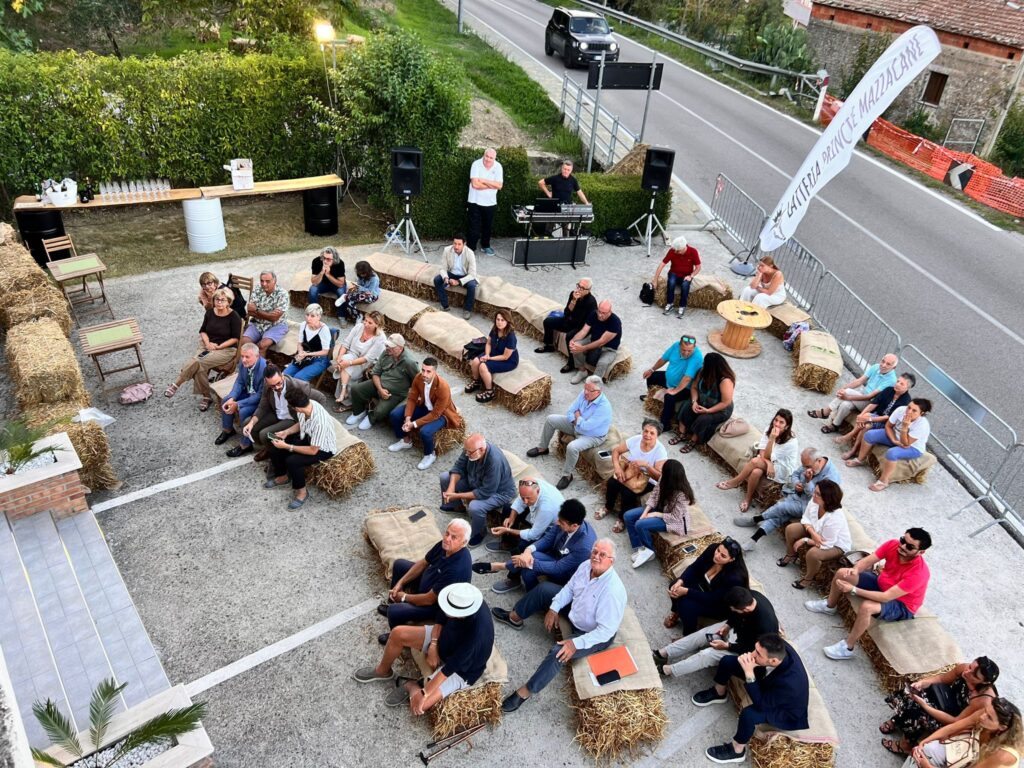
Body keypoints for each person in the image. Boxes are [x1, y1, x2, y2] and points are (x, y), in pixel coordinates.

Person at [500, 539, 625, 714]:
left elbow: (606, 631)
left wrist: (575, 643)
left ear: (612, 561)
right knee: (544, 589)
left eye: (602, 555)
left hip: (592, 633)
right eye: (594, 552)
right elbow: (569, 589)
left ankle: (526, 691)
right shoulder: (585, 565)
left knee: (558, 652)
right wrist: (554, 607)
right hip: (576, 609)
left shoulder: (613, 591)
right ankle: (514, 617)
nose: (596, 557)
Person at [352, 583, 495, 716]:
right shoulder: (461, 598)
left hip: (463, 670)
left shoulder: (477, 636)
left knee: (422, 706)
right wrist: (433, 644)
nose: (447, 613)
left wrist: (424, 693)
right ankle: (382, 671)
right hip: (446, 639)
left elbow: (450, 668)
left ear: (463, 613)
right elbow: (441, 616)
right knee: (397, 633)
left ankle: (411, 685)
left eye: (450, 612)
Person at [805, 527, 932, 660]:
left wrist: (853, 589)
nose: (903, 546)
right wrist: (855, 569)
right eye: (903, 540)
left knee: (867, 607)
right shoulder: (893, 545)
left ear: (921, 552)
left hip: (902, 604)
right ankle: (829, 606)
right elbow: (868, 561)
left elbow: (886, 597)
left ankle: (848, 647)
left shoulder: (919, 573)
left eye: (910, 547)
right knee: (843, 573)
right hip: (882, 584)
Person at [696, 633, 810, 765]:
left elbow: (762, 704)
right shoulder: (776, 647)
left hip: (784, 709)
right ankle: (719, 692)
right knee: (727, 661)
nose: (752, 654)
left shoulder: (790, 683)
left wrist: (749, 673)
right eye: (755, 650)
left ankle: (737, 750)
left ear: (773, 661)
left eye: (758, 654)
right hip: (769, 681)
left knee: (749, 714)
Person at [478, 499, 595, 607]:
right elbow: (547, 539)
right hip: (554, 556)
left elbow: (558, 568)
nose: (557, 523)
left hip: (566, 573)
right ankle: (533, 594)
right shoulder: (564, 520)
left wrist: (527, 561)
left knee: (529, 564)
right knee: (528, 564)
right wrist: (528, 552)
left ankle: (501, 566)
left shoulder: (584, 547)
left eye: (561, 522)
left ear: (574, 525)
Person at [378, 519, 473, 645]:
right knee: (399, 564)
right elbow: (424, 562)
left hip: (435, 606)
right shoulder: (445, 545)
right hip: (429, 584)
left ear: (464, 542)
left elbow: (429, 599)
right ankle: (393, 599)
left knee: (394, 611)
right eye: (447, 533)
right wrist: (399, 584)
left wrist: (404, 597)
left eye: (454, 537)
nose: (447, 538)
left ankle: (395, 636)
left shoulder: (456, 569)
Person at [653, 586, 778, 680]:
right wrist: (728, 625)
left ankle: (670, 670)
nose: (732, 610)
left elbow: (753, 649)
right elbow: (735, 614)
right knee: (704, 634)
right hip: (738, 629)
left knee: (707, 655)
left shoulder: (764, 625)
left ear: (745, 609)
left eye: (734, 609)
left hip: (747, 648)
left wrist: (728, 646)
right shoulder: (749, 596)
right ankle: (664, 653)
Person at [881, 657, 1001, 754]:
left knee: (919, 713)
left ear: (985, 682)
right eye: (970, 667)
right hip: (945, 699)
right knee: (911, 691)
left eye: (974, 675)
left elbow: (956, 722)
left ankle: (906, 745)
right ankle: (897, 719)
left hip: (953, 719)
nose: (967, 672)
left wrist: (926, 706)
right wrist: (922, 683)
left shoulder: (982, 700)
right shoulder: (964, 668)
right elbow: (942, 679)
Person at [736, 448, 842, 551]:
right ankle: (753, 540)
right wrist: (796, 484)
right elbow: (795, 474)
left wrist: (807, 482)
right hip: (795, 495)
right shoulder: (809, 463)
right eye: (804, 466)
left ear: (819, 461)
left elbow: (817, 498)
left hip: (810, 505)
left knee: (781, 507)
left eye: (807, 466)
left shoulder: (832, 478)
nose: (805, 469)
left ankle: (755, 519)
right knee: (778, 517)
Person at [527, 375, 612, 491]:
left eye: (589, 390)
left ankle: (567, 475)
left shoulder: (604, 407)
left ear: (599, 391)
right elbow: (571, 410)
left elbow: (587, 427)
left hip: (592, 436)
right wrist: (577, 418)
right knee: (550, 419)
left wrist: (578, 417)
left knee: (572, 447)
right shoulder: (584, 393)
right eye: (585, 388)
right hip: (576, 425)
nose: (585, 392)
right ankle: (543, 448)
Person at [166, 287, 242, 410]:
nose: (220, 302)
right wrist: (207, 344)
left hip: (225, 349)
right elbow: (203, 331)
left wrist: (218, 347)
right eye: (217, 299)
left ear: (228, 301)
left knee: (198, 361)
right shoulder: (210, 312)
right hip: (207, 345)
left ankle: (177, 384)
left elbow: (235, 338)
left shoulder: (234, 316)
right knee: (200, 366)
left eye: (223, 300)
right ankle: (206, 397)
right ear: (214, 300)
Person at [439, 434, 516, 548]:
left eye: (469, 453)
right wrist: (451, 489)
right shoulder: (470, 448)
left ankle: (479, 532)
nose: (467, 454)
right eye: (466, 451)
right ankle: (457, 507)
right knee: (445, 477)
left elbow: (485, 492)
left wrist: (456, 495)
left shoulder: (494, 461)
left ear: (481, 449)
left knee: (475, 507)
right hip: (476, 480)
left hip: (499, 492)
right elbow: (458, 467)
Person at [716, 409, 799, 514]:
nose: (777, 424)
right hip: (769, 462)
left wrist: (772, 439)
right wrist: (768, 463)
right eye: (776, 420)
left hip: (782, 468)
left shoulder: (791, 442)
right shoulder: (769, 429)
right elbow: (763, 452)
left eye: (781, 422)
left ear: (787, 426)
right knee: (756, 472)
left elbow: (768, 456)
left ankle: (734, 482)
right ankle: (748, 498)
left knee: (755, 461)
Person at [265, 389, 337, 510]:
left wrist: (288, 446)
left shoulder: (320, 422)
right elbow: (301, 424)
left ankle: (302, 493)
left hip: (323, 449)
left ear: (296, 408)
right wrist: (286, 432)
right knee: (275, 448)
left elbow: (313, 450)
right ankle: (282, 476)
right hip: (309, 437)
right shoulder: (307, 406)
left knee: (293, 461)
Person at [238, 364, 327, 462]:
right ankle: (269, 447)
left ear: (282, 376)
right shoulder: (267, 384)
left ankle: (273, 454)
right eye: (272, 385)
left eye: (279, 383)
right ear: (267, 382)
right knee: (247, 423)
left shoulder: (299, 386)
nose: (277, 387)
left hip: (292, 418)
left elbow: (321, 398)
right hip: (276, 413)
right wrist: (251, 423)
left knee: (264, 434)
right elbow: (263, 406)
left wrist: (315, 415)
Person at [389, 357, 462, 471]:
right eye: (423, 370)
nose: (424, 374)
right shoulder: (418, 378)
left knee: (425, 431)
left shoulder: (443, 386)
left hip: (442, 414)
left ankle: (430, 455)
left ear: (435, 372)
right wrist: (407, 418)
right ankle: (406, 441)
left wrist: (413, 424)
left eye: (428, 371)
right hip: (425, 406)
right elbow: (412, 398)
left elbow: (435, 414)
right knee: (395, 414)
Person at [666, 538, 749, 634]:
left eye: (723, 556)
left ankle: (688, 633)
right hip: (704, 586)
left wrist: (687, 591)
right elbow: (694, 568)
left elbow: (714, 599)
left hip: (719, 604)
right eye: (718, 550)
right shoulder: (712, 549)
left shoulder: (734, 578)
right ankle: (676, 612)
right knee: (674, 585)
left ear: (731, 559)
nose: (717, 556)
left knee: (686, 604)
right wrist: (681, 581)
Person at [778, 479, 852, 589]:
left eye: (817, 494)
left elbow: (826, 544)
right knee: (791, 529)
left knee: (813, 554)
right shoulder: (814, 501)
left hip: (835, 545)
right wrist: (812, 532)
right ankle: (791, 554)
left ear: (827, 499)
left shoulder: (835, 518)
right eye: (815, 491)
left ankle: (808, 579)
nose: (813, 494)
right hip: (816, 531)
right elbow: (805, 519)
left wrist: (805, 540)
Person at [909, 697, 1021, 768]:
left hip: (975, 763)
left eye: (989, 718)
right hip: (967, 754)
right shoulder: (986, 714)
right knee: (927, 750)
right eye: (986, 711)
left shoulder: (1004, 754)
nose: (982, 717)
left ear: (1002, 727)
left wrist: (928, 767)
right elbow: (953, 727)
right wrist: (924, 742)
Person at [849, 398, 933, 492]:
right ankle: (860, 459)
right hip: (895, 436)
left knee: (892, 453)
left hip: (913, 447)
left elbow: (906, 443)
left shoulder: (922, 425)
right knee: (869, 435)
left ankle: (883, 481)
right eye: (909, 407)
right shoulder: (901, 410)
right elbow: (888, 426)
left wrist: (905, 427)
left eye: (914, 410)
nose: (909, 411)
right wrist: (893, 439)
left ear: (921, 413)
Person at [623, 459, 694, 569]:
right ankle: (640, 548)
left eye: (664, 470)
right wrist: (645, 512)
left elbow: (675, 517)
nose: (661, 472)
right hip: (661, 509)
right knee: (628, 516)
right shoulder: (664, 478)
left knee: (640, 524)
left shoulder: (682, 495)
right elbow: (654, 496)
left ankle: (650, 550)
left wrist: (655, 514)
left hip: (673, 520)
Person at [599, 419, 669, 531]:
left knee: (628, 492)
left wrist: (646, 465)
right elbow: (616, 451)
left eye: (652, 433)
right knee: (612, 482)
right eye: (645, 431)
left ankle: (622, 518)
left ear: (657, 436)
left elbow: (659, 477)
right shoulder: (636, 440)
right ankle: (608, 507)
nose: (647, 435)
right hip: (631, 472)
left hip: (647, 479)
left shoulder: (660, 451)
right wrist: (617, 468)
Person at [808, 353, 899, 433]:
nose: (883, 365)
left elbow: (870, 396)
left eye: (888, 364)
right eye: (883, 361)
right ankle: (835, 425)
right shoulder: (876, 367)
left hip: (870, 404)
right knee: (845, 404)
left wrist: (848, 395)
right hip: (862, 396)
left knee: (847, 393)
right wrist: (842, 389)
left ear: (893, 367)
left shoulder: (891, 380)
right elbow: (859, 381)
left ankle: (826, 412)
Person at [347, 333, 419, 432]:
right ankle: (359, 412)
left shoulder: (409, 362)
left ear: (400, 348)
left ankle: (371, 418)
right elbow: (375, 373)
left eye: (391, 347)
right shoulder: (386, 353)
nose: (387, 348)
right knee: (356, 389)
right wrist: (380, 389)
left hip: (395, 394)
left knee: (380, 411)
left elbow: (417, 381)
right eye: (387, 345)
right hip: (379, 384)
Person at [837, 372, 916, 455]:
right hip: (876, 415)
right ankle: (853, 449)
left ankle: (850, 440)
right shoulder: (889, 390)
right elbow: (873, 404)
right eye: (897, 381)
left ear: (907, 388)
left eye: (902, 384)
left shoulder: (906, 401)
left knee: (866, 421)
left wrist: (868, 418)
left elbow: (888, 418)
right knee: (865, 420)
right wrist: (861, 415)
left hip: (887, 423)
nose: (897, 384)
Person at [485, 475, 564, 555]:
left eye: (528, 498)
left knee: (523, 546)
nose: (525, 502)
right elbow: (520, 500)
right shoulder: (531, 484)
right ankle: (507, 544)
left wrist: (508, 530)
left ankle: (516, 559)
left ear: (538, 491)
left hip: (549, 529)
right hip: (537, 515)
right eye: (524, 498)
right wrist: (511, 518)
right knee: (508, 509)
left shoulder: (546, 508)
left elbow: (533, 535)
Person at [642, 334, 704, 434]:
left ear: (694, 347)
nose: (686, 353)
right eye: (683, 350)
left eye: (689, 351)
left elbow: (687, 378)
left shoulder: (697, 357)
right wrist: (652, 369)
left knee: (669, 397)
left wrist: (675, 391)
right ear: (679, 345)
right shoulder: (675, 346)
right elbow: (663, 359)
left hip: (684, 388)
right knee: (652, 376)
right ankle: (651, 398)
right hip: (669, 380)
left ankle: (665, 424)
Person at [675, 352, 736, 453]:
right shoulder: (702, 371)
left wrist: (708, 411)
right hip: (702, 401)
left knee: (703, 419)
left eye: (705, 364)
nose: (703, 366)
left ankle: (693, 441)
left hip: (720, 408)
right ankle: (681, 433)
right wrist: (694, 401)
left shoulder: (725, 381)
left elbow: (725, 402)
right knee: (686, 406)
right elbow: (694, 387)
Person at [331, 311, 386, 412]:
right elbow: (345, 344)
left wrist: (347, 363)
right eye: (365, 320)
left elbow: (367, 358)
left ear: (377, 325)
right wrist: (339, 358)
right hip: (351, 355)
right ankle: (344, 394)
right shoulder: (358, 327)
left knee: (347, 365)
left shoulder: (380, 338)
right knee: (345, 360)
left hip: (366, 363)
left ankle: (346, 396)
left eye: (370, 323)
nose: (365, 324)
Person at [215, 343, 266, 450]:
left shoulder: (264, 369)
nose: (243, 360)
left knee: (243, 411)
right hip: (248, 392)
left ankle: (245, 444)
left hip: (260, 400)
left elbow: (260, 395)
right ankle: (228, 430)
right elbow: (239, 382)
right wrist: (232, 398)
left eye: (247, 357)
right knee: (226, 400)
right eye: (242, 356)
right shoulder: (244, 363)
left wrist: (237, 404)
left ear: (257, 356)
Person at [465, 310, 519, 403]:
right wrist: (487, 354)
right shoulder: (495, 329)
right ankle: (477, 382)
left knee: (483, 366)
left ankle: (490, 392)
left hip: (508, 360)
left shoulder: (511, 337)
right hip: (494, 351)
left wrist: (489, 358)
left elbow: (505, 357)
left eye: (503, 320)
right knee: (475, 362)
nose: (499, 322)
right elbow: (489, 343)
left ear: (507, 321)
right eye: (498, 319)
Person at [535, 278, 596, 356]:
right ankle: (549, 346)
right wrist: (574, 300)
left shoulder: (591, 302)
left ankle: (571, 362)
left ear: (589, 290)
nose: (579, 290)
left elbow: (585, 323)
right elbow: (567, 312)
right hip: (568, 320)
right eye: (578, 286)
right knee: (547, 321)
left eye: (582, 288)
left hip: (579, 326)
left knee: (569, 337)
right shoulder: (573, 294)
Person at [567, 301, 622, 384]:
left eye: (604, 313)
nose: (600, 315)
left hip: (608, 349)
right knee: (576, 345)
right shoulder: (594, 314)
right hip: (593, 339)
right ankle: (582, 371)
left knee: (603, 362)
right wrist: (573, 340)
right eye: (599, 311)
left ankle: (594, 383)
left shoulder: (615, 322)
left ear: (610, 312)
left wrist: (583, 348)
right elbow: (584, 331)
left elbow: (601, 342)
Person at [243, 270, 290, 358]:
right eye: (262, 281)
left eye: (267, 281)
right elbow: (250, 312)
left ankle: (260, 369)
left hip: (276, 325)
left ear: (274, 281)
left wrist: (256, 310)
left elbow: (274, 319)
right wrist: (269, 315)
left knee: (262, 345)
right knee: (245, 342)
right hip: (258, 323)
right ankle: (250, 367)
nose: (264, 284)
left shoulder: (283, 294)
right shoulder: (257, 289)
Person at [653, 235, 702, 317]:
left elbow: (698, 267)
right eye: (675, 250)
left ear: (684, 248)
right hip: (674, 273)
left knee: (685, 285)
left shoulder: (693, 251)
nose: (675, 252)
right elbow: (662, 264)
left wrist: (691, 276)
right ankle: (670, 304)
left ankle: (682, 306)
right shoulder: (673, 250)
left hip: (686, 275)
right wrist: (655, 280)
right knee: (671, 282)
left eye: (678, 251)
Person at [282, 304, 332, 383]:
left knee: (298, 379)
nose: (308, 318)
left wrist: (307, 354)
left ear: (319, 317)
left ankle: (297, 394)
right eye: (307, 315)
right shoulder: (303, 325)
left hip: (319, 360)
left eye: (312, 316)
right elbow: (299, 343)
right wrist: (301, 352)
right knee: (283, 376)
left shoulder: (324, 330)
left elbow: (325, 352)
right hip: (305, 356)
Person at [467, 148, 503, 255]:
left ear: (494, 158)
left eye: (491, 158)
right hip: (474, 201)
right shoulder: (476, 164)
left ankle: (485, 246)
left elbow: (499, 186)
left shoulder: (498, 167)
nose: (488, 159)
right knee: (474, 226)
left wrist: (483, 180)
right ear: (484, 155)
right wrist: (491, 184)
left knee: (488, 226)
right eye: (487, 156)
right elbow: (475, 184)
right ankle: (471, 248)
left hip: (490, 202)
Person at [433, 234, 478, 320]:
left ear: (464, 244)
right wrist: (446, 278)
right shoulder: (447, 250)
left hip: (464, 275)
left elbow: (472, 274)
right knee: (437, 279)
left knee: (472, 286)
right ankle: (445, 305)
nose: (456, 246)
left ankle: (467, 310)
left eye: (459, 244)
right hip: (451, 273)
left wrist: (458, 282)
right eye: (455, 243)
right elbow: (443, 268)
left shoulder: (470, 253)